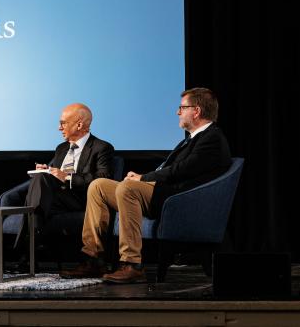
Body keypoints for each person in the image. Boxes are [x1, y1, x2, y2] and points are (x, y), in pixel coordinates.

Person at [61, 87, 232, 283]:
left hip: (179, 200)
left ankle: (132, 264)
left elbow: (181, 170)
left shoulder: (212, 138)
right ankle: (93, 259)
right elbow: (172, 168)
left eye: (182, 107)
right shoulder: (193, 139)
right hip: (163, 192)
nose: (178, 112)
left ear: (197, 111)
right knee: (99, 186)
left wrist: (143, 179)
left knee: (128, 188)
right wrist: (143, 177)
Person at [13, 103, 114, 267]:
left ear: (79, 124)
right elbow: (55, 175)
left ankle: (28, 249)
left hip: (81, 199)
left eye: (63, 123)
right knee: (40, 180)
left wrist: (67, 177)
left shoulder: (101, 148)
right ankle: (32, 244)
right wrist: (48, 171)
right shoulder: (61, 148)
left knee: (38, 193)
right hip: (55, 199)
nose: (59, 128)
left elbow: (103, 179)